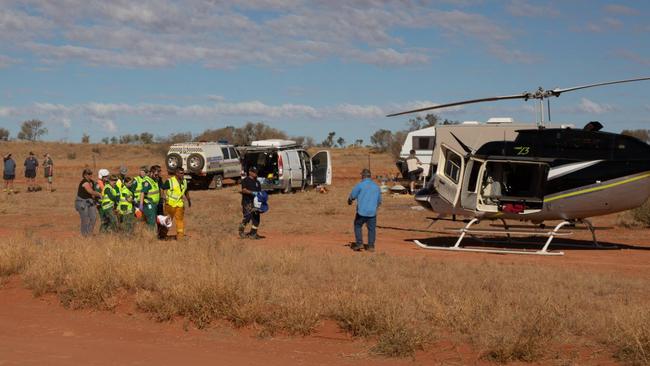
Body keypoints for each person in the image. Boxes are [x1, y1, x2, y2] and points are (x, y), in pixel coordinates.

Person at [348, 168, 382, 252]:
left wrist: (350, 200)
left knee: (357, 225)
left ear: (363, 176)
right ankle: (371, 246)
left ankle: (359, 243)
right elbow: (379, 201)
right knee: (371, 229)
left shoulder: (360, 185)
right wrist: (375, 208)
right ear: (370, 176)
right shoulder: (376, 187)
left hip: (361, 212)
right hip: (372, 213)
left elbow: (352, 196)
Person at [162, 167, 191, 239]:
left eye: (183, 173)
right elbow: (162, 188)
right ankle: (162, 235)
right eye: (181, 173)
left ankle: (180, 236)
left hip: (179, 204)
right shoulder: (170, 181)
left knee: (180, 221)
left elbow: (186, 191)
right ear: (176, 173)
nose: (183, 175)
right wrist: (163, 196)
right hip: (170, 205)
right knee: (168, 221)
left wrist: (189, 200)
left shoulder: (184, 181)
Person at [75, 168, 102, 236]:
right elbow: (90, 191)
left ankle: (89, 232)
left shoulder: (92, 182)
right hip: (81, 202)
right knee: (85, 218)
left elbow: (97, 187)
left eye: (91, 173)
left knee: (93, 217)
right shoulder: (84, 182)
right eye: (88, 174)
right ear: (84, 175)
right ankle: (84, 235)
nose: (90, 175)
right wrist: (99, 194)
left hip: (90, 201)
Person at [239, 166, 263, 239]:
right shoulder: (245, 180)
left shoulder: (257, 182)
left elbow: (259, 192)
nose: (256, 173)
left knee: (256, 218)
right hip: (247, 202)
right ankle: (241, 231)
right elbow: (244, 190)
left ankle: (253, 233)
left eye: (256, 172)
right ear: (250, 172)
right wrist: (252, 193)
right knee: (247, 217)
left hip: (255, 203)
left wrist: (261, 198)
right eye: (254, 172)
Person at [139, 165, 161, 230]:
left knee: (152, 221)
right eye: (156, 174)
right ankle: (150, 237)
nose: (157, 176)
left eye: (158, 175)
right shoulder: (147, 182)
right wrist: (141, 205)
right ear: (151, 173)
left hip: (154, 204)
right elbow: (142, 193)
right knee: (151, 222)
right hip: (149, 204)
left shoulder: (154, 180)